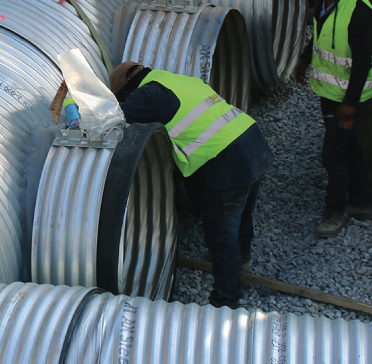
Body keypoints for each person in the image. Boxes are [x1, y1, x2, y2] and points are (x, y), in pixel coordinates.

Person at [109, 62, 273, 310]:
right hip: (252, 140)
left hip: (226, 161)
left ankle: (226, 300)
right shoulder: (177, 80)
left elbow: (112, 123)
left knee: (221, 234)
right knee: (242, 215)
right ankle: (241, 263)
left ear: (127, 91)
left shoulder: (147, 95)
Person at [293, 0, 372, 238]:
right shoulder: (326, 0)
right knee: (350, 147)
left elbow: (360, 63)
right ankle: (360, 202)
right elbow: (321, 37)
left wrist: (350, 103)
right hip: (332, 96)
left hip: (348, 101)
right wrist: (305, 60)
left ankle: (336, 211)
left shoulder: (358, 12)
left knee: (333, 155)